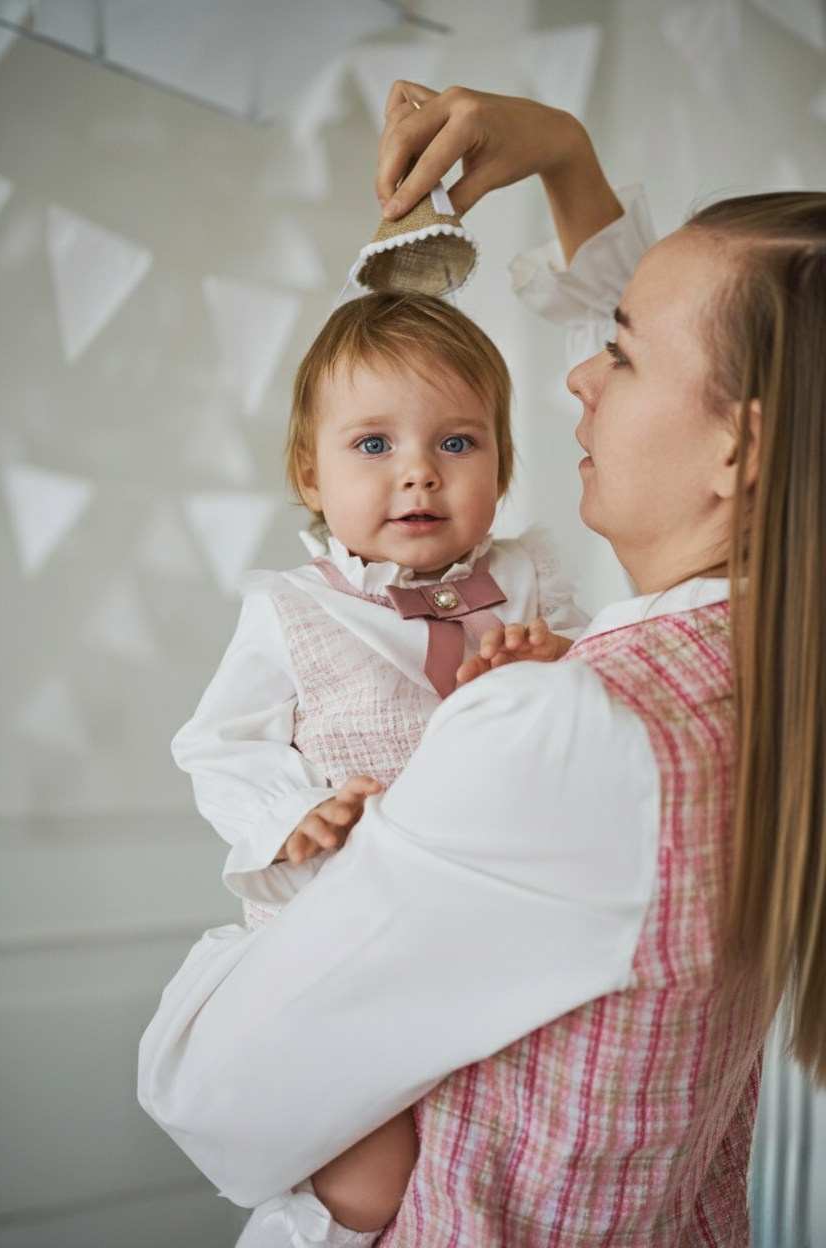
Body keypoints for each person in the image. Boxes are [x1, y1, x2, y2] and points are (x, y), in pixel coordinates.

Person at [139, 84, 826, 1246]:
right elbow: (701, 354)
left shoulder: (566, 726)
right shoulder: (769, 670)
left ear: (738, 446)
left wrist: (254, 945)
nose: (577, 379)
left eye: (615, 354)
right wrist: (564, 160)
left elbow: (207, 1097)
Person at [169, 288, 587, 1246]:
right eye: (373, 446)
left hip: (489, 925)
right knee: (367, 1178)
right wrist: (294, 811)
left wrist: (556, 664)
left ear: (503, 465)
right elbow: (217, 742)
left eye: (456, 443)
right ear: (309, 476)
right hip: (344, 935)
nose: (418, 477)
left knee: (488, 1150)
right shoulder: (292, 608)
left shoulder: (527, 578)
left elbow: (598, 691)